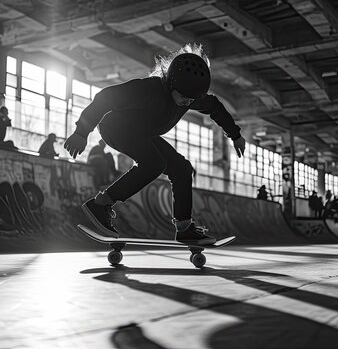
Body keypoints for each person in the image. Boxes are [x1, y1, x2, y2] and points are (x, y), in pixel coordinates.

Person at [64, 44, 245, 245]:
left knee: (182, 169)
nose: (187, 103)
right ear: (170, 84)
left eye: (191, 100)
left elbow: (216, 108)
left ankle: (185, 228)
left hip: (143, 133)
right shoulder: (147, 89)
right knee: (154, 163)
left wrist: (235, 135)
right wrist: (81, 132)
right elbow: (105, 98)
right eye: (184, 97)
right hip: (116, 128)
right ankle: (101, 204)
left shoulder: (190, 96)